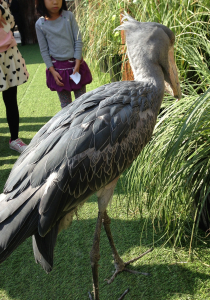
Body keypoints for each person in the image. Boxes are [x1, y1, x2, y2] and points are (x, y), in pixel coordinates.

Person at [35, 0, 92, 109]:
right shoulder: (40, 24)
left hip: (76, 67)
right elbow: (44, 50)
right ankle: (69, 125)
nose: (55, 2)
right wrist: (52, 71)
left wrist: (77, 63)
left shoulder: (68, 16)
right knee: (66, 106)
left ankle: (83, 125)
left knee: (83, 103)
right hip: (58, 71)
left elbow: (78, 39)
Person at [0, 0, 29, 153]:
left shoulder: (3, 3)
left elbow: (11, 24)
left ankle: (14, 138)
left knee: (11, 99)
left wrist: (3, 9)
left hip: (8, 55)